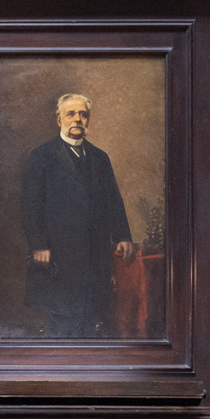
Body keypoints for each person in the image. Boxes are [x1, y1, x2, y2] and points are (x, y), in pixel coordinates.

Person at [20, 93, 137, 338]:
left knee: (93, 319)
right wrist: (39, 245)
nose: (78, 119)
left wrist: (123, 236)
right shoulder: (41, 156)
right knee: (62, 322)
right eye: (71, 114)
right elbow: (31, 205)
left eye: (83, 115)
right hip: (57, 254)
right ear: (59, 120)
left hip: (94, 255)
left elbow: (113, 201)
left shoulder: (100, 158)